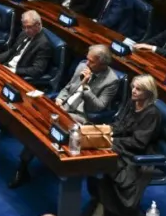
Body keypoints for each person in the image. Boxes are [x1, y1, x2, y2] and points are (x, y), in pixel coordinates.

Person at [10, 45, 119, 188]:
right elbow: (68, 87)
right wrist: (60, 99)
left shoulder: (111, 81)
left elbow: (98, 107)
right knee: (37, 126)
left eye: (91, 61)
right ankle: (24, 165)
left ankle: (38, 165)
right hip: (63, 106)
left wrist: (86, 88)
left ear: (102, 63)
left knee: (47, 127)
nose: (87, 63)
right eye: (87, 59)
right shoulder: (82, 66)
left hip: (81, 115)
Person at [82, 75, 161, 216]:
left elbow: (139, 142)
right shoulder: (132, 103)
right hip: (121, 144)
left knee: (104, 162)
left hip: (137, 153)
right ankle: (100, 201)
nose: (134, 91)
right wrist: (107, 132)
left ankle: (110, 209)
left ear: (148, 93)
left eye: (139, 89)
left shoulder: (152, 113)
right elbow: (119, 124)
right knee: (94, 153)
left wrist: (111, 141)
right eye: (133, 87)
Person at [0, 10, 52, 81]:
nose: (26, 30)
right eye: (24, 27)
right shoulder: (24, 33)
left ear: (38, 25)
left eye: (29, 27)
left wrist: (13, 70)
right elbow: (12, 51)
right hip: (6, 67)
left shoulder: (43, 44)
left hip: (18, 76)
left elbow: (37, 70)